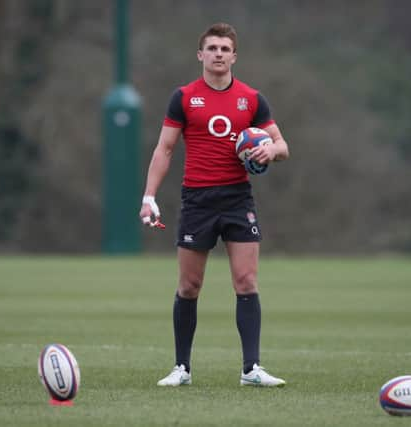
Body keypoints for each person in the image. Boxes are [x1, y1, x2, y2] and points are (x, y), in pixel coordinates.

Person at [139, 22, 290, 387]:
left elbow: (282, 146)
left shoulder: (252, 99)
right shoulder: (184, 97)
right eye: (213, 48)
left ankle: (251, 369)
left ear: (234, 56)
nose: (219, 54)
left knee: (246, 280)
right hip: (198, 200)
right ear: (201, 55)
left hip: (238, 198)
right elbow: (165, 148)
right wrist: (148, 197)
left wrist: (270, 149)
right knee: (190, 285)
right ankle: (182, 369)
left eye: (225, 49)